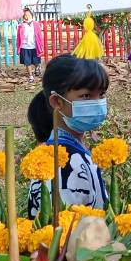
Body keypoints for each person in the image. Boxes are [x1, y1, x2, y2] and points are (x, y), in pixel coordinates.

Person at [26, 54, 111, 218]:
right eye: (86, 96)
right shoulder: (63, 162)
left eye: (101, 95)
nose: (97, 102)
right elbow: (66, 235)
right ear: (57, 102)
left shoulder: (66, 150)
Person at [16, 7, 44, 83]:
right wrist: (18, 48)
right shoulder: (20, 25)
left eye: (28, 14)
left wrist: (41, 46)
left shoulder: (36, 24)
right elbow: (18, 38)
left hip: (34, 46)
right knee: (27, 62)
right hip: (24, 46)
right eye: (25, 14)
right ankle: (31, 76)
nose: (27, 16)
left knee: (35, 61)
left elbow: (39, 36)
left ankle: (37, 67)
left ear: (31, 14)